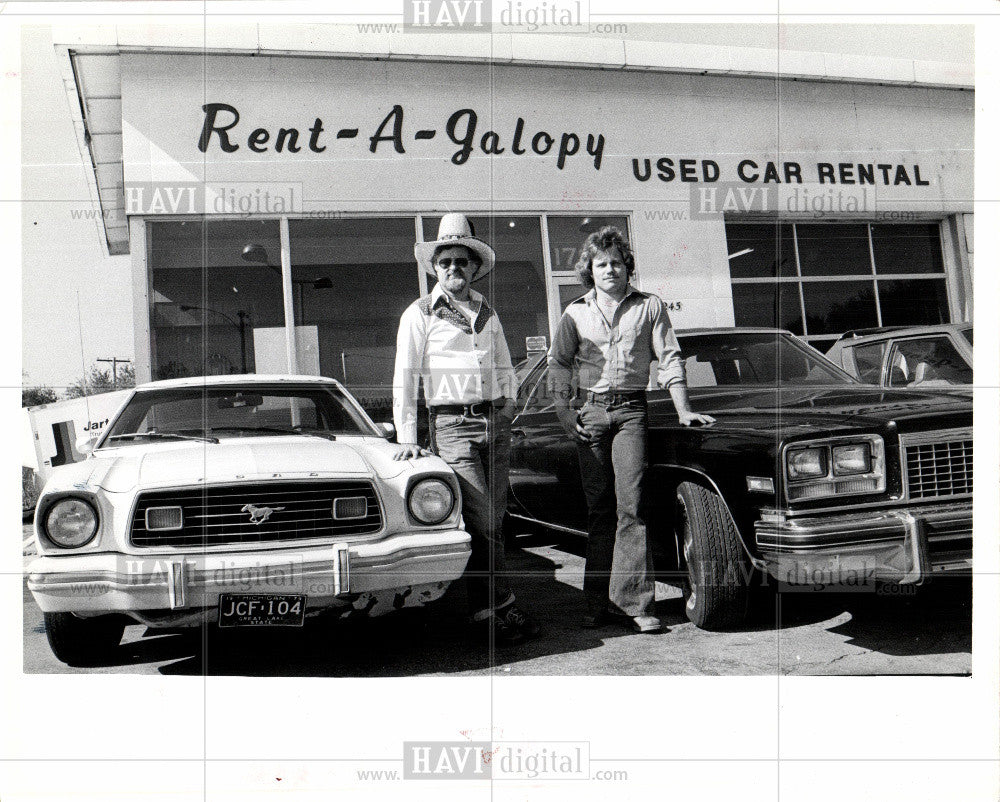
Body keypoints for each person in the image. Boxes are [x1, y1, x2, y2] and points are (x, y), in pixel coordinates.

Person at [548, 226, 715, 634]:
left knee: (632, 508)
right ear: (590, 269)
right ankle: (596, 604)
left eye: (617, 263)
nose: (610, 270)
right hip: (590, 413)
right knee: (600, 510)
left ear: (627, 267)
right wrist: (563, 412)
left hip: (631, 414)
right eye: (602, 264)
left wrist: (684, 409)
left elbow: (670, 358)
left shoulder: (650, 306)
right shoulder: (575, 312)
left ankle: (635, 604)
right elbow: (559, 363)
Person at [392, 213, 540, 646]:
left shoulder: (486, 311)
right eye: (446, 263)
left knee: (493, 521)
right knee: (481, 522)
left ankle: (484, 610)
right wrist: (406, 438)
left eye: (462, 261)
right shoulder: (420, 313)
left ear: (474, 266)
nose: (454, 269)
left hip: (493, 423)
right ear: (435, 268)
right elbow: (406, 374)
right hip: (452, 425)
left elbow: (503, 362)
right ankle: (499, 610)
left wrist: (509, 404)